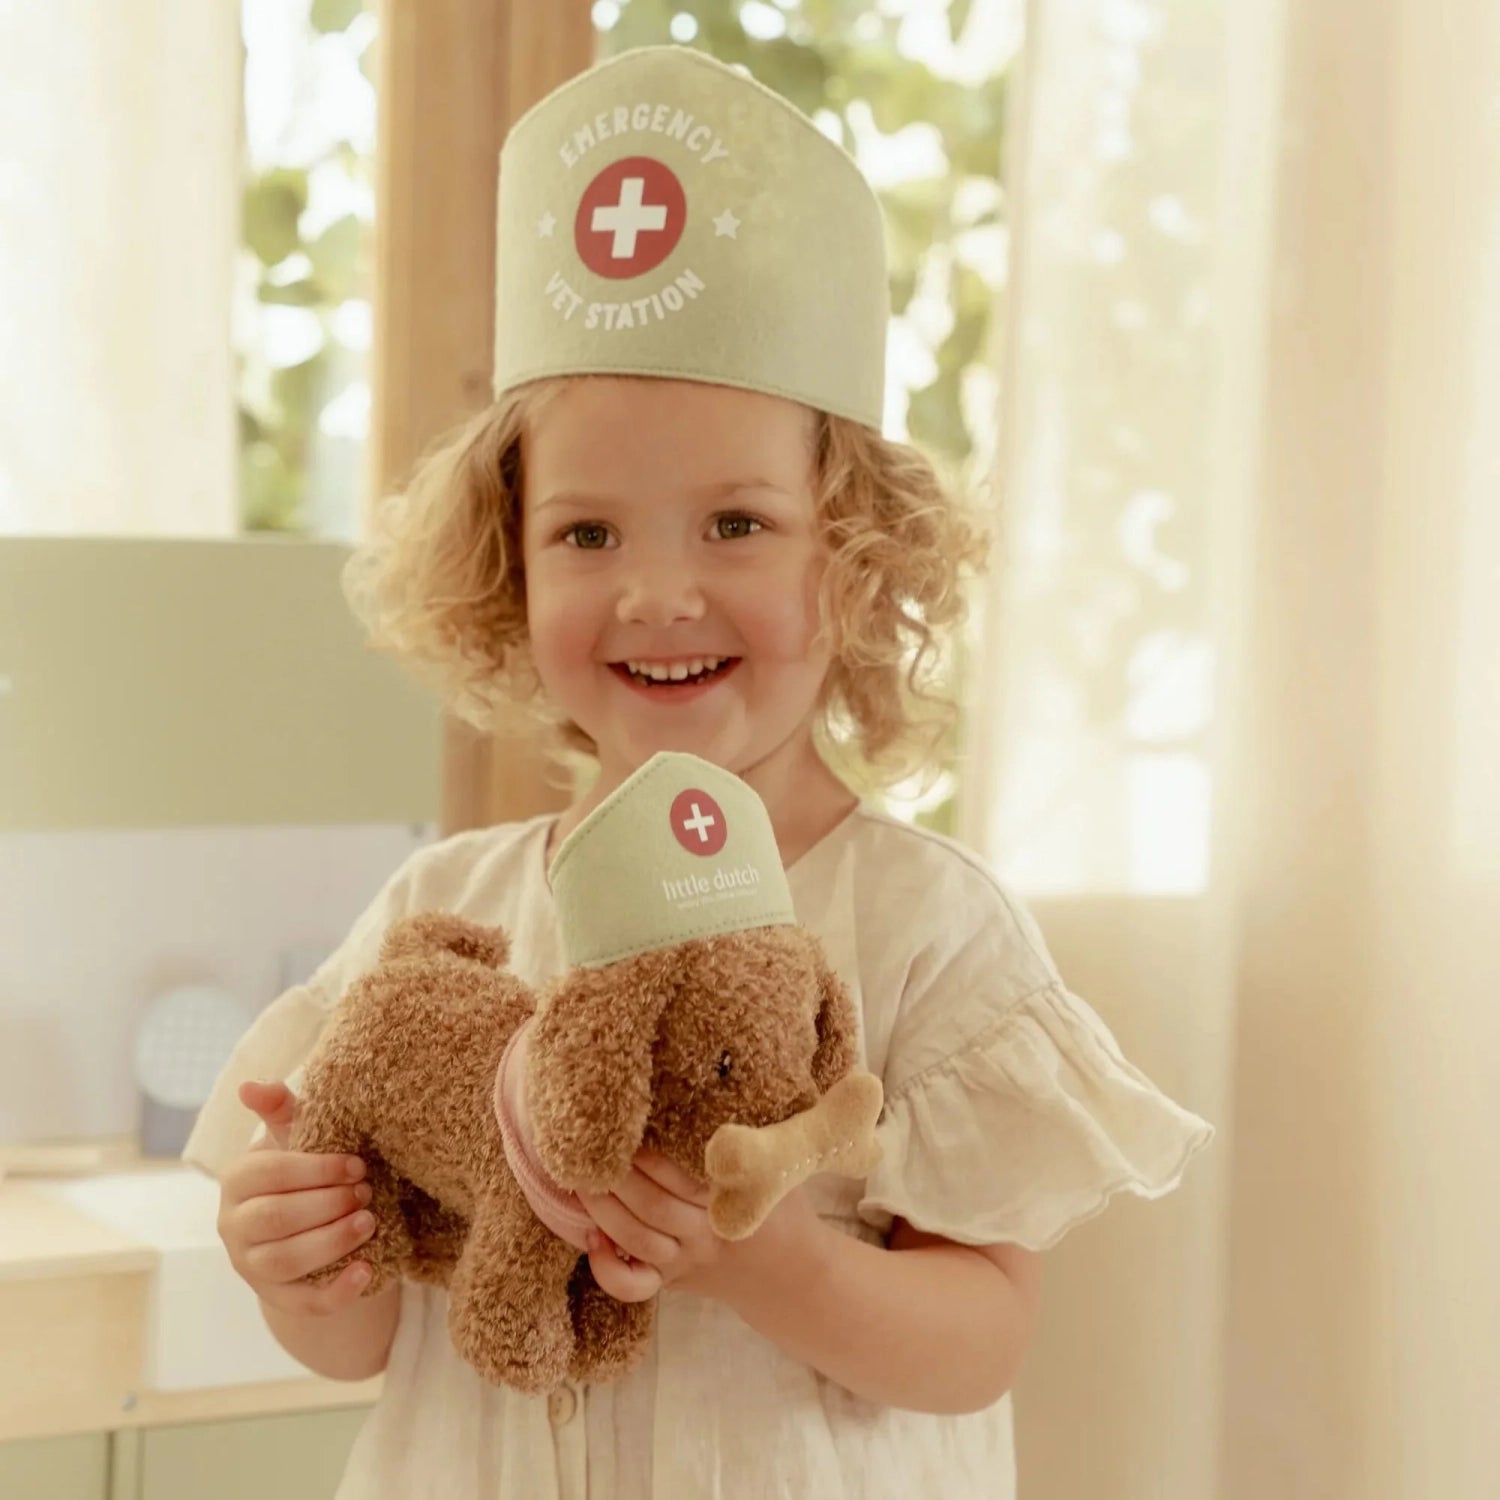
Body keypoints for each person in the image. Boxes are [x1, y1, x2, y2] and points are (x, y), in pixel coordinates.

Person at [188, 44, 1214, 1500]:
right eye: (589, 535)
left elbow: (978, 1338)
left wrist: (770, 1263)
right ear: (508, 564)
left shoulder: (927, 929)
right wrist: (302, 1264)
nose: (658, 593)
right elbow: (362, 1344)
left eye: (734, 525)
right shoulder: (443, 908)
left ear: (852, 561)